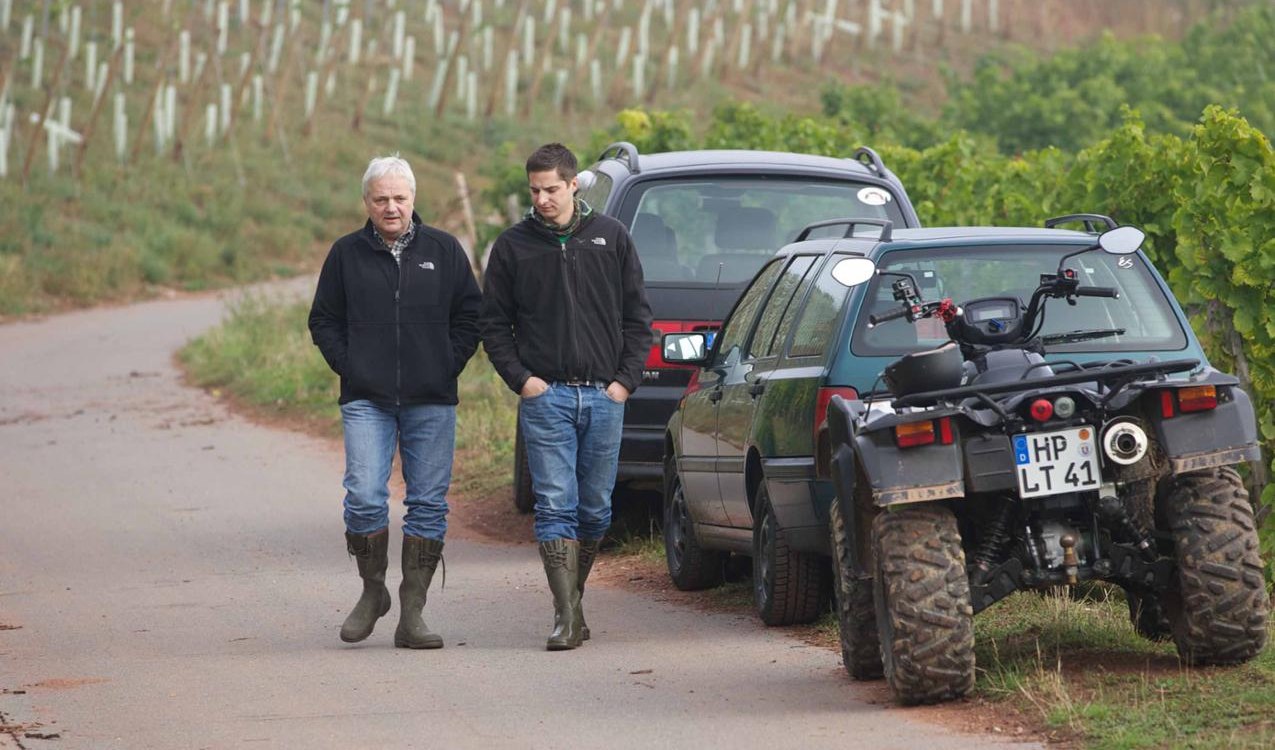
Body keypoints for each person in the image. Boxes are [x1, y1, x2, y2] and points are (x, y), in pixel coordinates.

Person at [480, 143, 652, 651]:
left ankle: (573, 602)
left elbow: (638, 317)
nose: (542, 199)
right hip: (546, 397)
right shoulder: (513, 247)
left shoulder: (611, 237)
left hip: (604, 396)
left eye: (551, 189)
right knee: (556, 505)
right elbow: (494, 324)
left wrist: (625, 382)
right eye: (534, 190)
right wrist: (523, 381)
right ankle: (564, 616)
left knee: (596, 510)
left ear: (574, 185)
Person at [309, 155, 481, 648]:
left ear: (413, 199)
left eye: (399, 198)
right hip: (367, 398)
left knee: (427, 504)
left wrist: (446, 363)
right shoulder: (345, 255)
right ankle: (372, 592)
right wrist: (352, 365)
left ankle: (413, 613)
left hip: (432, 398)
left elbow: (471, 316)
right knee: (364, 496)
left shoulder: (445, 251)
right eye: (381, 198)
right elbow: (323, 320)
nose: (391, 207)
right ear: (366, 202)